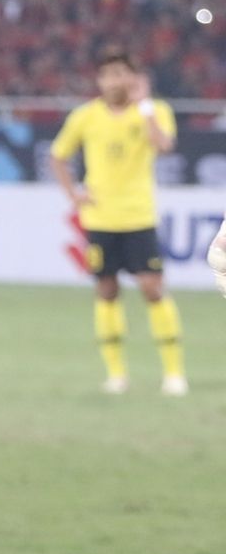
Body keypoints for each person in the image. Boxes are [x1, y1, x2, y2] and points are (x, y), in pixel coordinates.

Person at [48, 51, 182, 396]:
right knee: (106, 291)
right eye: (107, 74)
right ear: (100, 80)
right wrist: (72, 194)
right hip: (100, 219)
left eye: (121, 73)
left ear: (132, 78)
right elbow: (58, 156)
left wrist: (146, 107)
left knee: (152, 289)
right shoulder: (86, 116)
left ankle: (173, 373)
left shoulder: (154, 110)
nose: (114, 80)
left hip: (139, 216)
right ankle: (117, 374)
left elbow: (164, 145)